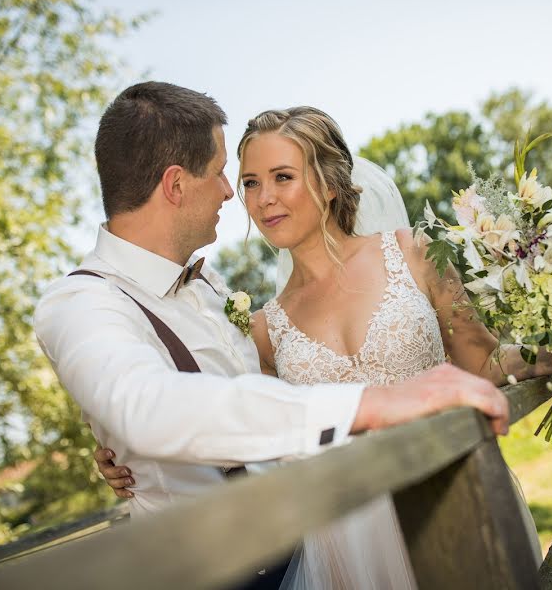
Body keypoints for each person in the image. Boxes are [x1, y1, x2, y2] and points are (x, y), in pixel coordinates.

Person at [34, 82, 512, 590]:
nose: (233, 194)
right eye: (227, 174)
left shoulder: (212, 292)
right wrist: (368, 405)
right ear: (176, 185)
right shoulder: (81, 303)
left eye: (279, 177)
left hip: (308, 548)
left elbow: (237, 401)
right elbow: (144, 405)